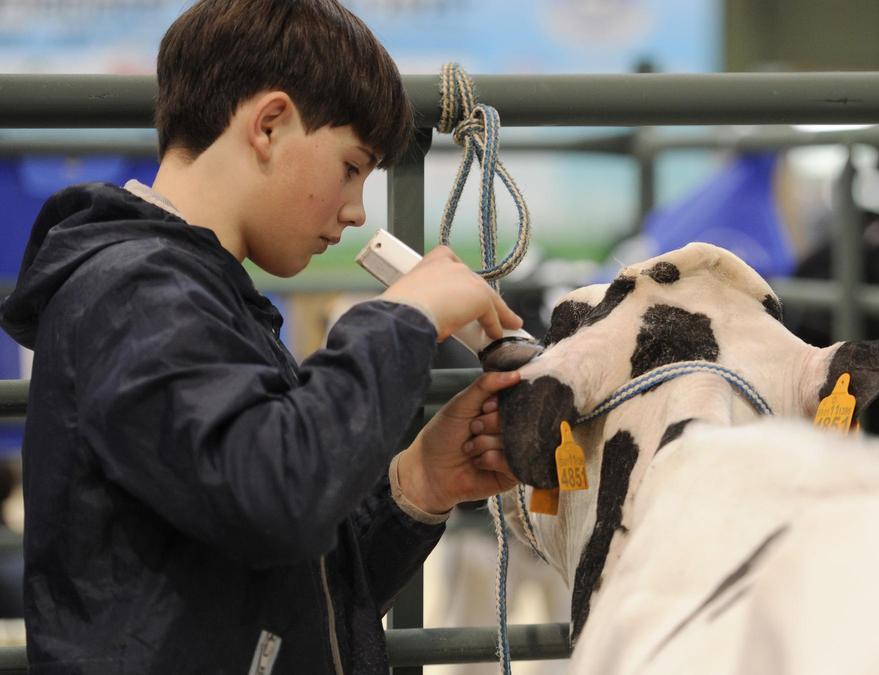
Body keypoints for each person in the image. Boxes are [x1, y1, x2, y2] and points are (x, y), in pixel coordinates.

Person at [0, 1, 527, 672]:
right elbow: (277, 501)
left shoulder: (189, 293)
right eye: (351, 167)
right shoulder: (135, 293)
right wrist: (404, 316)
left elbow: (285, 600)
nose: (357, 210)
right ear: (269, 124)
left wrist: (419, 483)